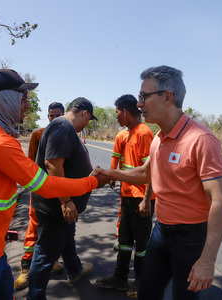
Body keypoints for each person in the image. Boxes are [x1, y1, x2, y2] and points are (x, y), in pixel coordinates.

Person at [0, 69, 109, 300]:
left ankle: (72, 269)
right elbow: (48, 185)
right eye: (23, 98)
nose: (27, 106)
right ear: (5, 98)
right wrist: (92, 181)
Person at [94, 66, 222, 300]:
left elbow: (219, 200)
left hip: (189, 238)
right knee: (147, 292)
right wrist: (110, 174)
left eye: (143, 96)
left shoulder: (202, 140)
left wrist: (207, 259)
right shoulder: (158, 137)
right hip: (160, 232)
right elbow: (146, 173)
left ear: (167, 97)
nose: (138, 104)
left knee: (183, 296)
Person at [27, 97, 99, 299]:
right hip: (55, 206)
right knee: (45, 253)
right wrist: (66, 201)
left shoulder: (63, 127)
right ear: (84, 113)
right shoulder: (63, 126)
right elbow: (52, 164)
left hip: (60, 205)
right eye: (88, 120)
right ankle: (35, 295)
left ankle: (74, 270)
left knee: (67, 236)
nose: (86, 125)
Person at [96, 94, 155, 299]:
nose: (117, 117)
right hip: (128, 196)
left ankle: (141, 282)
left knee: (142, 244)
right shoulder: (128, 133)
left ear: (126, 112)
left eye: (117, 113)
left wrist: (147, 199)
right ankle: (120, 278)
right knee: (125, 240)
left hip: (141, 199)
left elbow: (152, 171)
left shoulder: (144, 133)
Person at [15, 102, 65, 291]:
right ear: (48, 116)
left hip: (58, 188)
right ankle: (26, 267)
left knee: (55, 226)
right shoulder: (38, 134)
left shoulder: (67, 134)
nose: (54, 119)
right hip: (40, 189)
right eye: (51, 115)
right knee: (34, 226)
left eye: (58, 115)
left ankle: (52, 260)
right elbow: (30, 164)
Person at [110, 128, 129, 251]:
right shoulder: (121, 135)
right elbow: (115, 157)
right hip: (126, 181)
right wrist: (112, 176)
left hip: (142, 182)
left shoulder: (145, 133)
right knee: (124, 211)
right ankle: (121, 236)